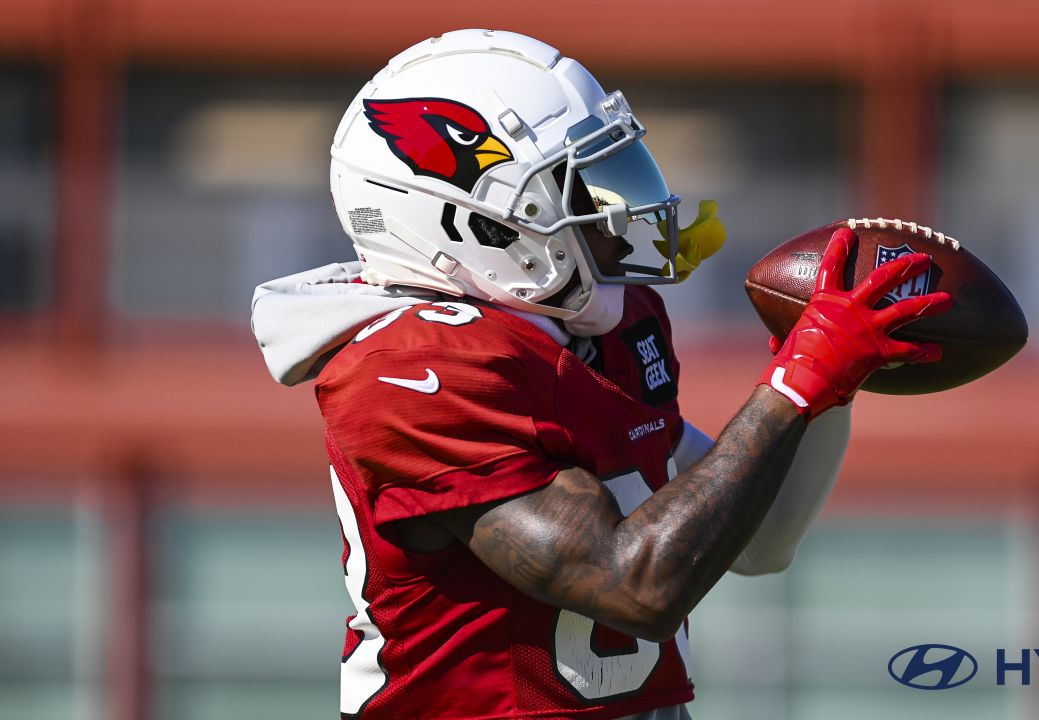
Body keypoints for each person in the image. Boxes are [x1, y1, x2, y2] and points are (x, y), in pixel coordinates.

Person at [250, 29, 950, 720]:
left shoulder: (599, 326)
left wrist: (826, 388)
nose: (615, 216)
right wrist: (796, 382)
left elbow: (760, 540)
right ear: (474, 223)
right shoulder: (411, 369)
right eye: (573, 189)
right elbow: (633, 586)